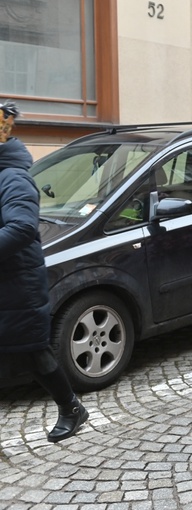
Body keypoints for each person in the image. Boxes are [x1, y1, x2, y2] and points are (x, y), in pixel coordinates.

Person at [0, 101, 89, 443]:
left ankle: (71, 408)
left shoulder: (13, 178)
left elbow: (21, 227)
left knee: (35, 354)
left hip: (17, 287)